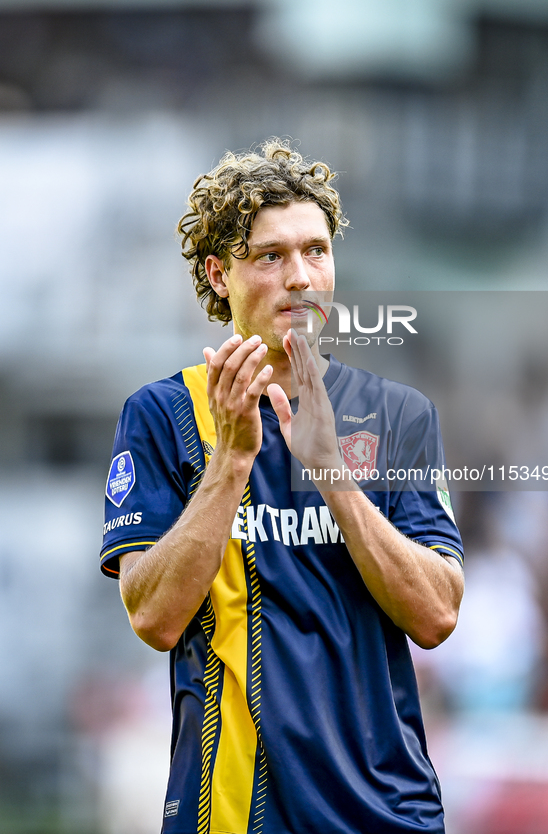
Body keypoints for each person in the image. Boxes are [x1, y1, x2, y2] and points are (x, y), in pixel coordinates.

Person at [100, 139, 464, 834]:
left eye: (316, 251)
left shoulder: (396, 415)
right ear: (218, 273)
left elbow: (436, 613)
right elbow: (152, 617)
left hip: (388, 812)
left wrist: (334, 475)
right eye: (270, 256)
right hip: (233, 814)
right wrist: (231, 463)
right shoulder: (162, 415)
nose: (300, 276)